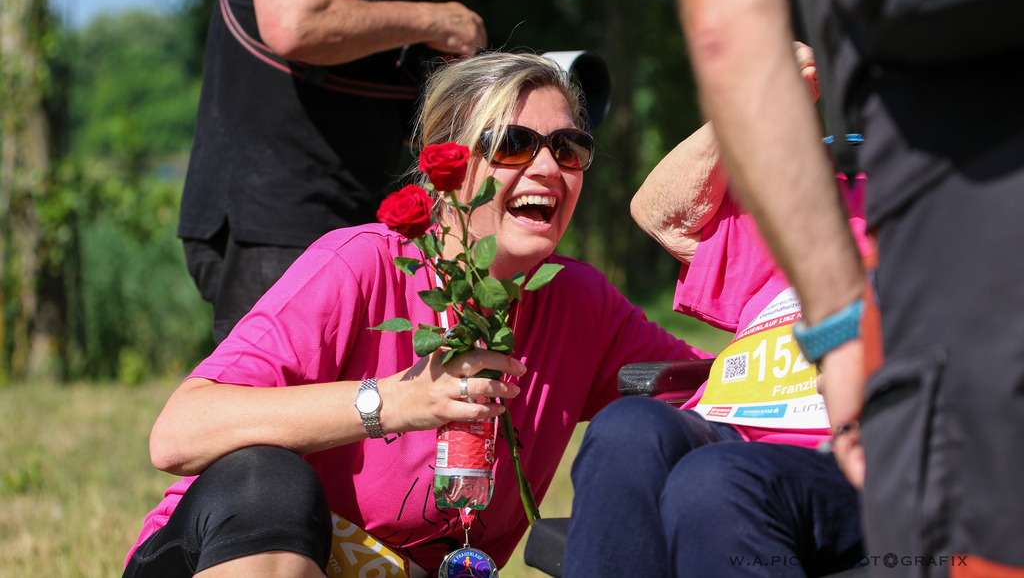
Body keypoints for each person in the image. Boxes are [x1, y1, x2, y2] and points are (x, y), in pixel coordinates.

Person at [122, 52, 711, 578]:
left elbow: (723, 393)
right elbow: (179, 432)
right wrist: (395, 403)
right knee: (270, 479)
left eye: (568, 149)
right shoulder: (361, 264)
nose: (548, 169)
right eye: (512, 145)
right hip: (228, 552)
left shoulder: (578, 301)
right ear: (443, 167)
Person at [662, 0, 1024, 574]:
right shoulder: (762, 219)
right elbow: (660, 211)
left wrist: (838, 330)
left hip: (945, 159)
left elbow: (730, 30)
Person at [563, 45, 866, 577]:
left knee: (714, 479)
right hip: (727, 423)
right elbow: (661, 213)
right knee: (627, 429)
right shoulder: (818, 195)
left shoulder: (964, 207)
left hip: (853, 449)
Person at [180, 0, 488, 344]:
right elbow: (296, 21)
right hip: (278, 215)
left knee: (357, 405)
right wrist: (432, 20)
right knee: (275, 409)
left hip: (354, 207)